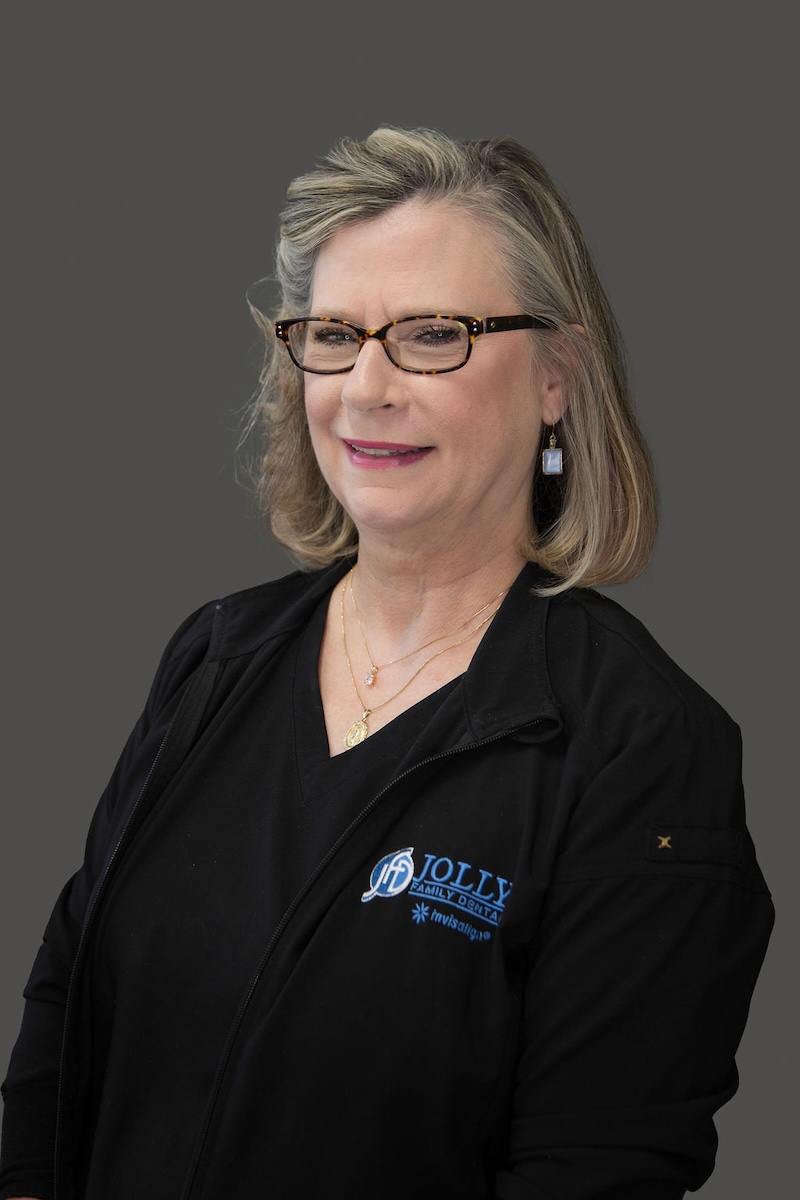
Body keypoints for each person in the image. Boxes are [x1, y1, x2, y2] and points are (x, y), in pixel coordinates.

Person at [0, 127, 773, 1200]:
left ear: (557, 376)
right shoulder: (216, 656)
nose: (365, 385)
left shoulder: (639, 748)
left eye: (430, 335)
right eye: (332, 333)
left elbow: (593, 1170)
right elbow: (61, 1027)